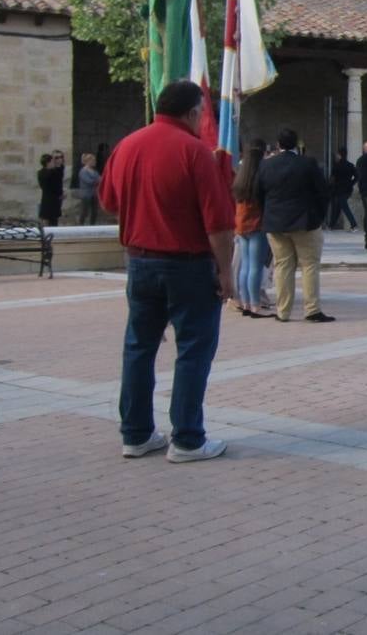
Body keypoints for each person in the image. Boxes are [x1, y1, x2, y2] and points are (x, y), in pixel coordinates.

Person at [97, 80, 233, 462]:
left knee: (139, 348)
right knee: (193, 350)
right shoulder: (196, 153)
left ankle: (136, 433)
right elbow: (219, 224)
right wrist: (226, 273)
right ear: (192, 113)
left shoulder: (127, 146)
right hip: (187, 264)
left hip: (140, 261)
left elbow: (109, 201)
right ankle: (187, 438)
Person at [257, 128, 334, 323]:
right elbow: (323, 192)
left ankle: (283, 311)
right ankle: (312, 309)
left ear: (278, 144)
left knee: (283, 266)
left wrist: (267, 215)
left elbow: (258, 194)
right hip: (305, 222)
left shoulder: (266, 166)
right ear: (296, 144)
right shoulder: (307, 163)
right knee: (309, 265)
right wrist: (318, 216)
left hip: (276, 223)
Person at [231, 146, 272, 319]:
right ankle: (255, 304)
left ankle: (245, 302)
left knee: (245, 266)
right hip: (256, 225)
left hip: (241, 225)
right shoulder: (260, 180)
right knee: (255, 266)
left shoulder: (239, 180)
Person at [327, 147, 358, 232]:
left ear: (339, 155)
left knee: (343, 206)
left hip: (338, 189)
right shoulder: (350, 165)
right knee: (339, 206)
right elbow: (357, 176)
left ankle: (354, 224)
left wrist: (329, 187)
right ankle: (331, 225)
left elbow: (332, 178)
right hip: (347, 189)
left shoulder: (336, 166)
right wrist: (351, 183)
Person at [37, 150, 65, 227]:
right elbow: (57, 183)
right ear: (48, 163)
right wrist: (60, 194)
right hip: (53, 199)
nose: (54, 162)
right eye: (53, 160)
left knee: (47, 219)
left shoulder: (41, 172)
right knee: (52, 221)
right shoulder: (51, 173)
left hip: (46, 198)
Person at [76, 152, 101, 225]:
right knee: (84, 211)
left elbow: (100, 178)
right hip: (86, 194)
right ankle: (81, 224)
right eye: (93, 160)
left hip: (94, 194)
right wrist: (97, 181)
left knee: (94, 211)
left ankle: (92, 224)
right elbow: (89, 181)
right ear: (88, 161)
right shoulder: (83, 171)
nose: (95, 162)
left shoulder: (94, 171)